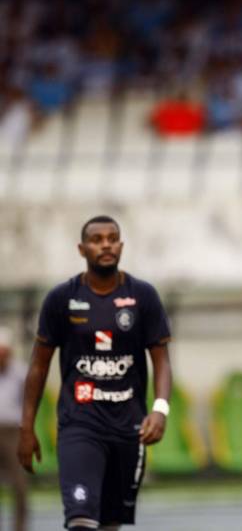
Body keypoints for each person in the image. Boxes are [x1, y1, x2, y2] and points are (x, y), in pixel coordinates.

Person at [17, 216, 173, 531]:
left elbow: (162, 360)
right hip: (80, 425)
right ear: (82, 248)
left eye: (112, 238)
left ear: (121, 246)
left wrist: (159, 409)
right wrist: (26, 427)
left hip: (129, 427)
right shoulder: (62, 299)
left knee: (108, 523)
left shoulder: (143, 296)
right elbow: (38, 365)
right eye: (97, 239)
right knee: (81, 519)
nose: (105, 245)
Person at [0, 327, 28, 531]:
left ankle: (20, 527)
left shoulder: (20, 372)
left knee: (19, 483)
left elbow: (28, 402)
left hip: (12, 431)